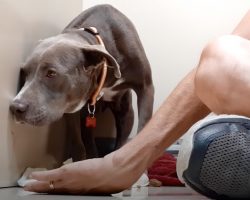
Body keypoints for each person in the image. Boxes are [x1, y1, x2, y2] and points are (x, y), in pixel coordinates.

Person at [24, 9, 250, 195]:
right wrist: (124, 163)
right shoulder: (68, 45)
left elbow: (146, 85)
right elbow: (223, 58)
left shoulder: (122, 46)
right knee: (220, 58)